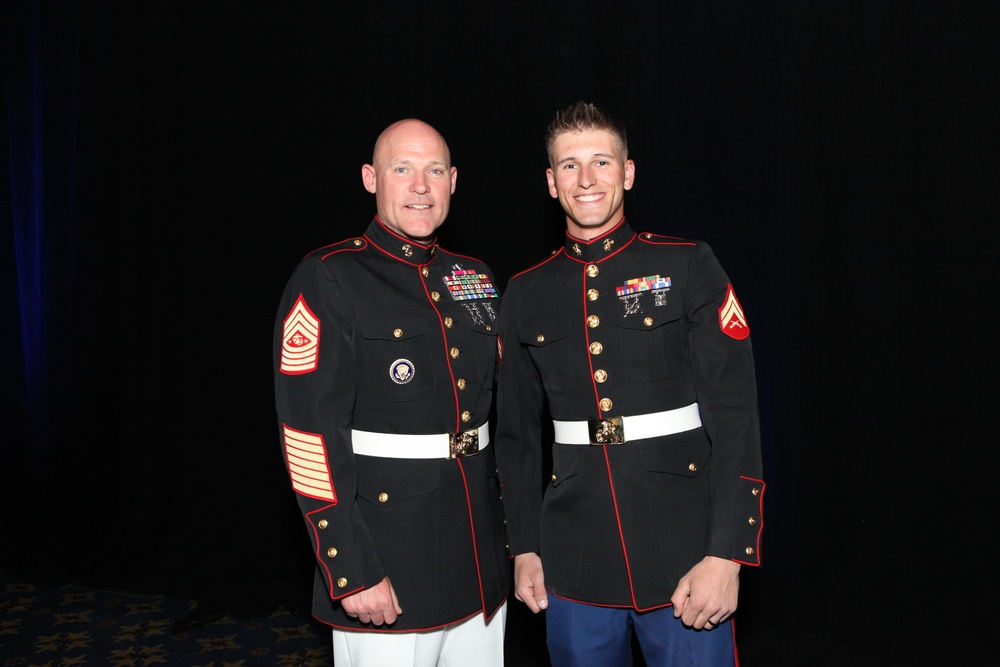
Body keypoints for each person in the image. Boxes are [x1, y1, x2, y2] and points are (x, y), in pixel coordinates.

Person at [494, 101, 765, 666]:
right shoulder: (526, 292)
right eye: (569, 166)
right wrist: (523, 547)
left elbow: (736, 418)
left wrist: (727, 555)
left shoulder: (689, 265)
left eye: (601, 162)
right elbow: (517, 439)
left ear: (628, 172)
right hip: (574, 557)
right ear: (551, 182)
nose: (586, 179)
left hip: (686, 555)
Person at [273, 119, 510, 667]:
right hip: (388, 563)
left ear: (453, 181)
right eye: (402, 169)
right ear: (370, 178)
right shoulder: (329, 277)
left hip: (478, 560)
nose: (420, 185)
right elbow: (308, 438)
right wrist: (349, 567)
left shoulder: (473, 277)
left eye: (433, 171)